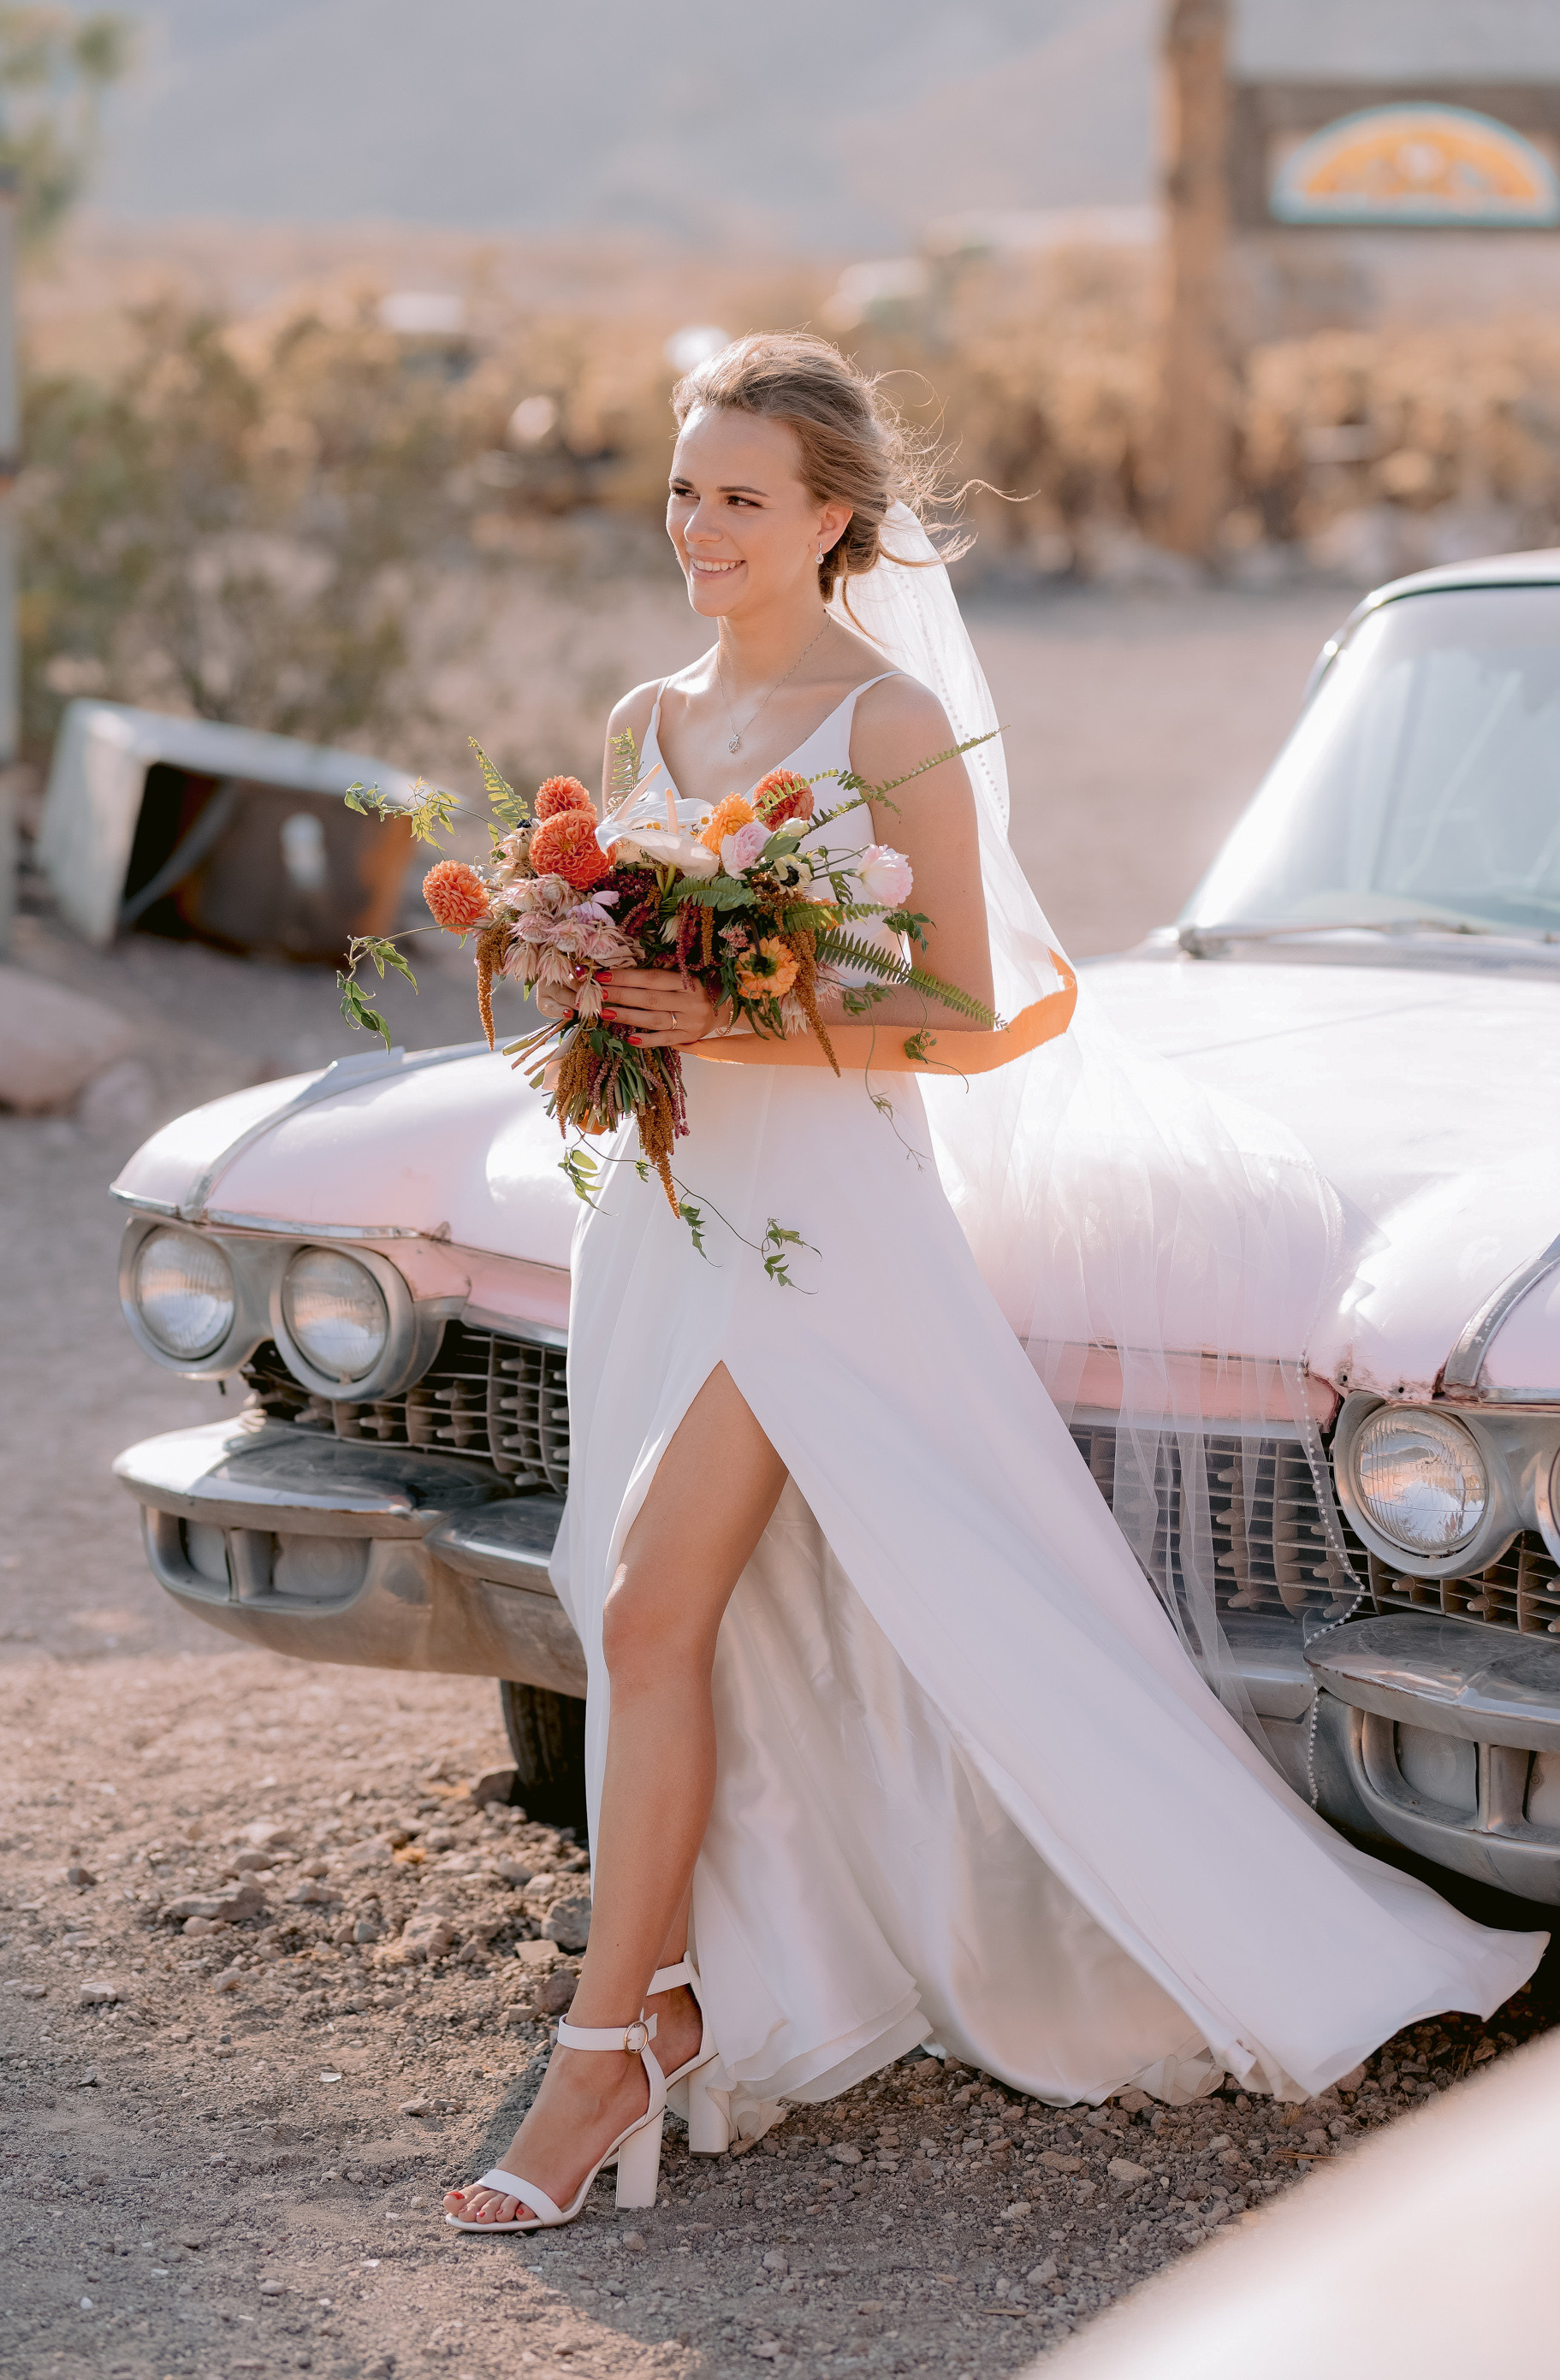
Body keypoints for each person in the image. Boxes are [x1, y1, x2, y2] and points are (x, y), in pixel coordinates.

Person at [444, 335, 1543, 2232]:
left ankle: (616, 2039)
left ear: (834, 519)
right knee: (686, 1615)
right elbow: (658, 982)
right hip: (667, 1211)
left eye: (740, 498)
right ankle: (728, 1957)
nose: (696, 527)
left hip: (821, 1233)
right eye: (685, 489)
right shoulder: (642, 725)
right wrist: (591, 995)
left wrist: (740, 1010)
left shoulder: (882, 724)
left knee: (638, 1611)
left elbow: (986, 1004)